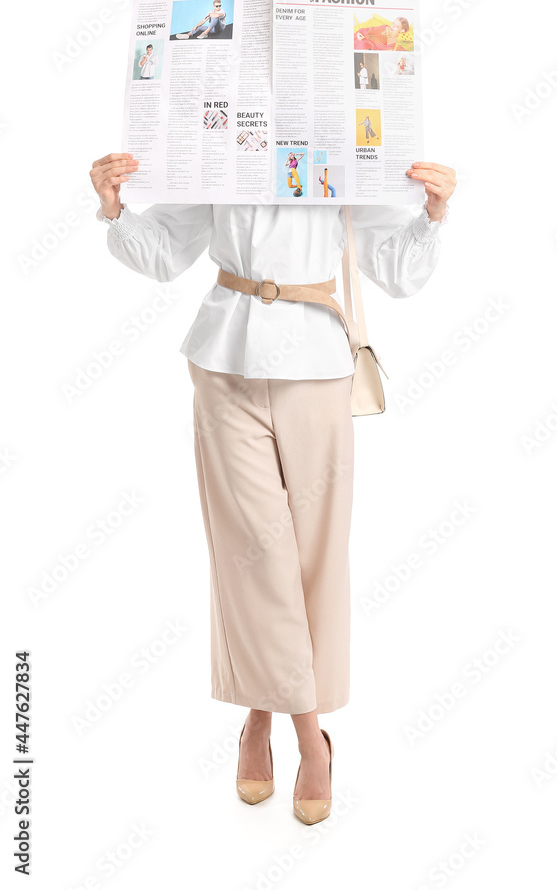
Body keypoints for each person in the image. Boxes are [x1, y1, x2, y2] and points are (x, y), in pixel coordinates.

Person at [89, 152, 456, 824]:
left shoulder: (344, 136)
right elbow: (168, 251)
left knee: (313, 560)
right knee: (253, 555)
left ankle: (259, 714)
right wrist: (113, 206)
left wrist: (434, 213)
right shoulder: (219, 131)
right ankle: (308, 735)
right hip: (224, 357)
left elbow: (398, 271)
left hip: (317, 358)